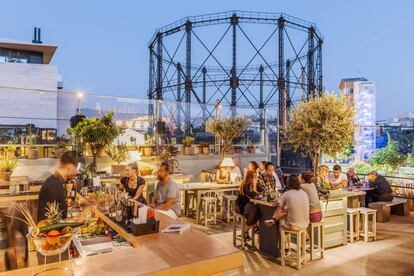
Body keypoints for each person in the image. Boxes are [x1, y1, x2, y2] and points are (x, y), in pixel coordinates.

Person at [38, 151, 83, 221]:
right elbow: (51, 220)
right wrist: (75, 220)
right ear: (70, 166)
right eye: (77, 168)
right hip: (50, 230)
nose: (77, 172)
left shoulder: (57, 181)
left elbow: (60, 213)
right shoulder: (54, 185)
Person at [235, 170, 260, 241]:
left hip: (247, 206)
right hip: (240, 207)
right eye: (255, 177)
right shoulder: (245, 185)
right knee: (254, 211)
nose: (256, 179)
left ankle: (247, 231)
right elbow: (252, 195)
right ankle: (250, 229)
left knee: (257, 210)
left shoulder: (251, 185)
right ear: (250, 178)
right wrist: (255, 186)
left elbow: (259, 192)